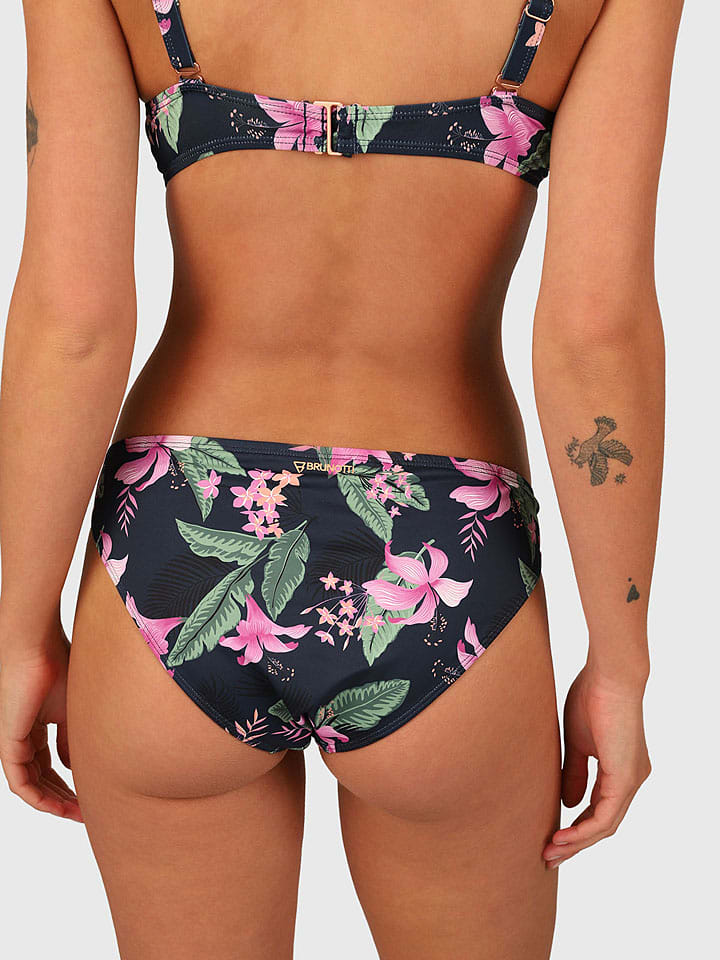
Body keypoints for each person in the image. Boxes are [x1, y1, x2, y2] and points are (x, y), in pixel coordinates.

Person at [0, 0, 681, 957]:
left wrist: (20, 630)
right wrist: (620, 663)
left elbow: (73, 321)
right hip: (442, 556)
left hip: (177, 538)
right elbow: (593, 336)